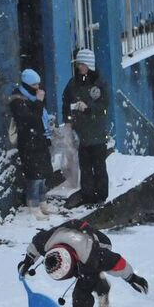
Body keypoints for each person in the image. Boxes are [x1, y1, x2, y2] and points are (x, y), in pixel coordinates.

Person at [17, 218, 148, 307]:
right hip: (73, 239)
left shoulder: (94, 256)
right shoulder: (46, 242)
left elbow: (118, 263)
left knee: (81, 294)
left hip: (99, 243)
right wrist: (27, 261)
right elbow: (35, 245)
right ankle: (102, 286)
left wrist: (132, 278)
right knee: (89, 278)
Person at [61, 49, 111, 209]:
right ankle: (88, 193)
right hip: (81, 133)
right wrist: (68, 120)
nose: (79, 67)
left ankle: (101, 195)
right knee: (85, 165)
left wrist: (88, 107)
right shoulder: (73, 83)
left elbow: (104, 104)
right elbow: (66, 102)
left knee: (99, 165)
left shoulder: (99, 83)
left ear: (89, 65)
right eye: (78, 64)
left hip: (96, 132)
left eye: (82, 64)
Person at [9, 68, 56, 221]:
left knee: (42, 174)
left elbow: (40, 118)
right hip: (28, 142)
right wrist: (39, 102)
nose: (37, 88)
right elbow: (32, 119)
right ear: (27, 84)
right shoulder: (18, 100)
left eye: (38, 84)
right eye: (34, 84)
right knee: (34, 175)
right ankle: (33, 205)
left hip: (39, 139)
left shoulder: (32, 97)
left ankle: (43, 202)